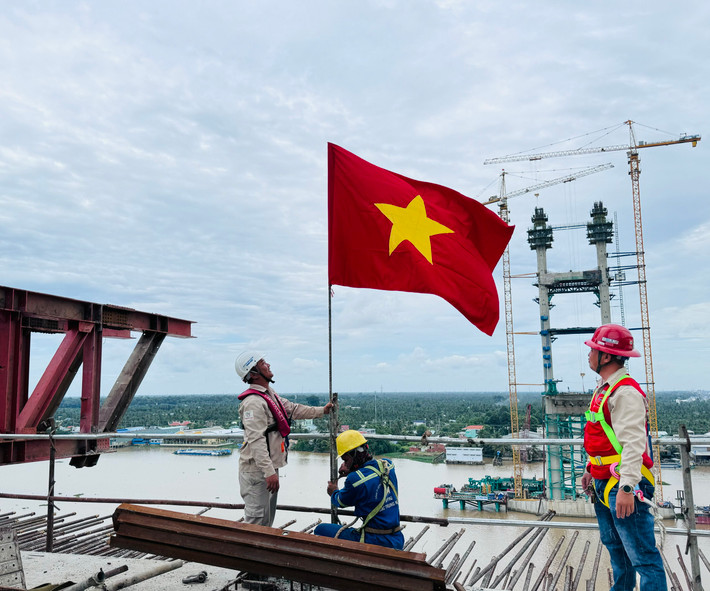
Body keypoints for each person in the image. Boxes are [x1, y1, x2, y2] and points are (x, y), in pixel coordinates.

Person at [580, 324, 667, 591]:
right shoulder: (604, 389)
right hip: (603, 481)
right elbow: (604, 437)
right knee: (619, 554)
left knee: (643, 558)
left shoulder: (625, 392)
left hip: (624, 484)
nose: (589, 355)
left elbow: (633, 444)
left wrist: (628, 488)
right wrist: (589, 468)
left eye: (593, 350)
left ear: (606, 356)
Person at [235, 351, 333, 527]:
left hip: (267, 470)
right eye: (263, 363)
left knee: (266, 520)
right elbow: (256, 440)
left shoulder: (269, 395)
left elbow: (293, 409)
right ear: (254, 373)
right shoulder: (253, 403)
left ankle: (260, 553)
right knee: (256, 523)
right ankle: (250, 553)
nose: (268, 365)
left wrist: (322, 411)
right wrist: (269, 472)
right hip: (258, 471)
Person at [314, 430, 404, 549]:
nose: (345, 464)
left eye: (346, 460)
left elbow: (341, 501)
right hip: (397, 539)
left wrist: (333, 491)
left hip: (374, 540)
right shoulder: (388, 465)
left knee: (320, 529)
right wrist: (352, 469)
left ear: (354, 456)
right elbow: (371, 477)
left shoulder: (355, 479)